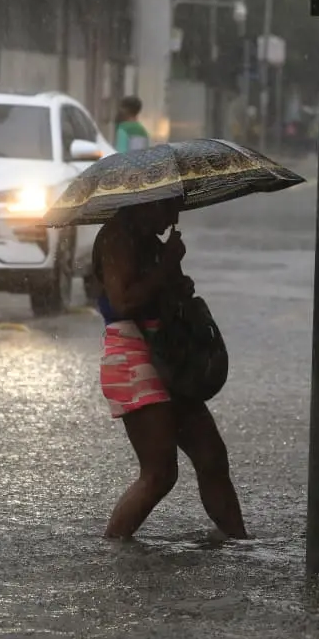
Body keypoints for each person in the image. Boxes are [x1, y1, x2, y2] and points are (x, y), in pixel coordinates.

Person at [92, 197, 249, 540]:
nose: (174, 217)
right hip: (133, 357)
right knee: (160, 473)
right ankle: (113, 550)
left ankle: (240, 543)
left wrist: (177, 284)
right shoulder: (116, 238)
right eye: (169, 208)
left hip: (167, 356)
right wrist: (167, 263)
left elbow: (159, 292)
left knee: (211, 456)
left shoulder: (149, 239)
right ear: (147, 203)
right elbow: (124, 301)